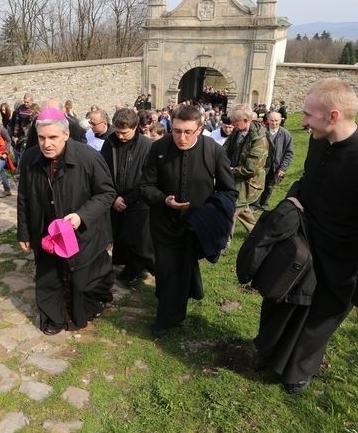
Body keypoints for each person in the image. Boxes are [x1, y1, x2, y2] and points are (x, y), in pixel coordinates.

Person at [253, 78, 358, 395]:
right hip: (303, 245)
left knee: (318, 320)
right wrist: (292, 200)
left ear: (333, 116)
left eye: (308, 115)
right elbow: (309, 181)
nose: (303, 122)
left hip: (341, 259)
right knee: (280, 302)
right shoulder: (319, 141)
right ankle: (267, 353)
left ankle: (298, 370)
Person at [17, 108, 116, 335]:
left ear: (66, 134)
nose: (46, 144)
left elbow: (106, 193)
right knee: (49, 277)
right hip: (46, 232)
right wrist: (23, 232)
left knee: (82, 280)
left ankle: (88, 308)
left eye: (52, 137)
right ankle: (54, 317)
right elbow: (23, 197)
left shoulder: (88, 157)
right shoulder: (31, 158)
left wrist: (81, 215)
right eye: (42, 138)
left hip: (81, 232)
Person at [140, 105, 236, 337]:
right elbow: (145, 185)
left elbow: (229, 190)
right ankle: (170, 312)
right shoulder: (158, 148)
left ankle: (173, 309)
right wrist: (164, 200)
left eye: (188, 132)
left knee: (182, 265)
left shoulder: (213, 150)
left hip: (196, 223)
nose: (181, 137)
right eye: (176, 131)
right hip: (163, 220)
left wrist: (209, 214)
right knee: (166, 266)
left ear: (200, 128)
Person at [100, 108, 154, 286]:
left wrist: (128, 199)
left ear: (135, 127)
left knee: (135, 238)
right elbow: (103, 171)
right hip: (115, 199)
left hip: (139, 201)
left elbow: (148, 177)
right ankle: (128, 266)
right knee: (119, 235)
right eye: (117, 132)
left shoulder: (147, 146)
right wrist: (114, 197)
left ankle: (135, 269)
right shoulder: (110, 143)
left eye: (124, 133)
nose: (121, 137)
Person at [224, 104, 269, 233]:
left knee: (231, 211)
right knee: (243, 210)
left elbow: (250, 170)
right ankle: (258, 234)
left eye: (235, 121)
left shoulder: (259, 141)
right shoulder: (237, 131)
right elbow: (226, 148)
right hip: (235, 179)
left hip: (248, 183)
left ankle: (223, 245)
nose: (232, 124)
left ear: (246, 120)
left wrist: (230, 170)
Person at [254, 111, 294, 211]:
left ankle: (264, 204)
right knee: (258, 184)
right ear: (268, 120)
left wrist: (282, 168)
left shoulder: (286, 134)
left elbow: (289, 153)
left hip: (275, 165)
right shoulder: (262, 132)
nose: (274, 123)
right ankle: (254, 204)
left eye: (276, 120)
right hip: (261, 165)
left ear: (280, 121)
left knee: (269, 186)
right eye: (272, 120)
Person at [11, 93, 35, 158]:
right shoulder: (20, 108)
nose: (26, 104)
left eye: (27, 102)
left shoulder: (35, 108)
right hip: (22, 134)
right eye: (25, 102)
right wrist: (15, 135)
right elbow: (17, 123)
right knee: (23, 151)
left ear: (32, 101)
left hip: (32, 133)